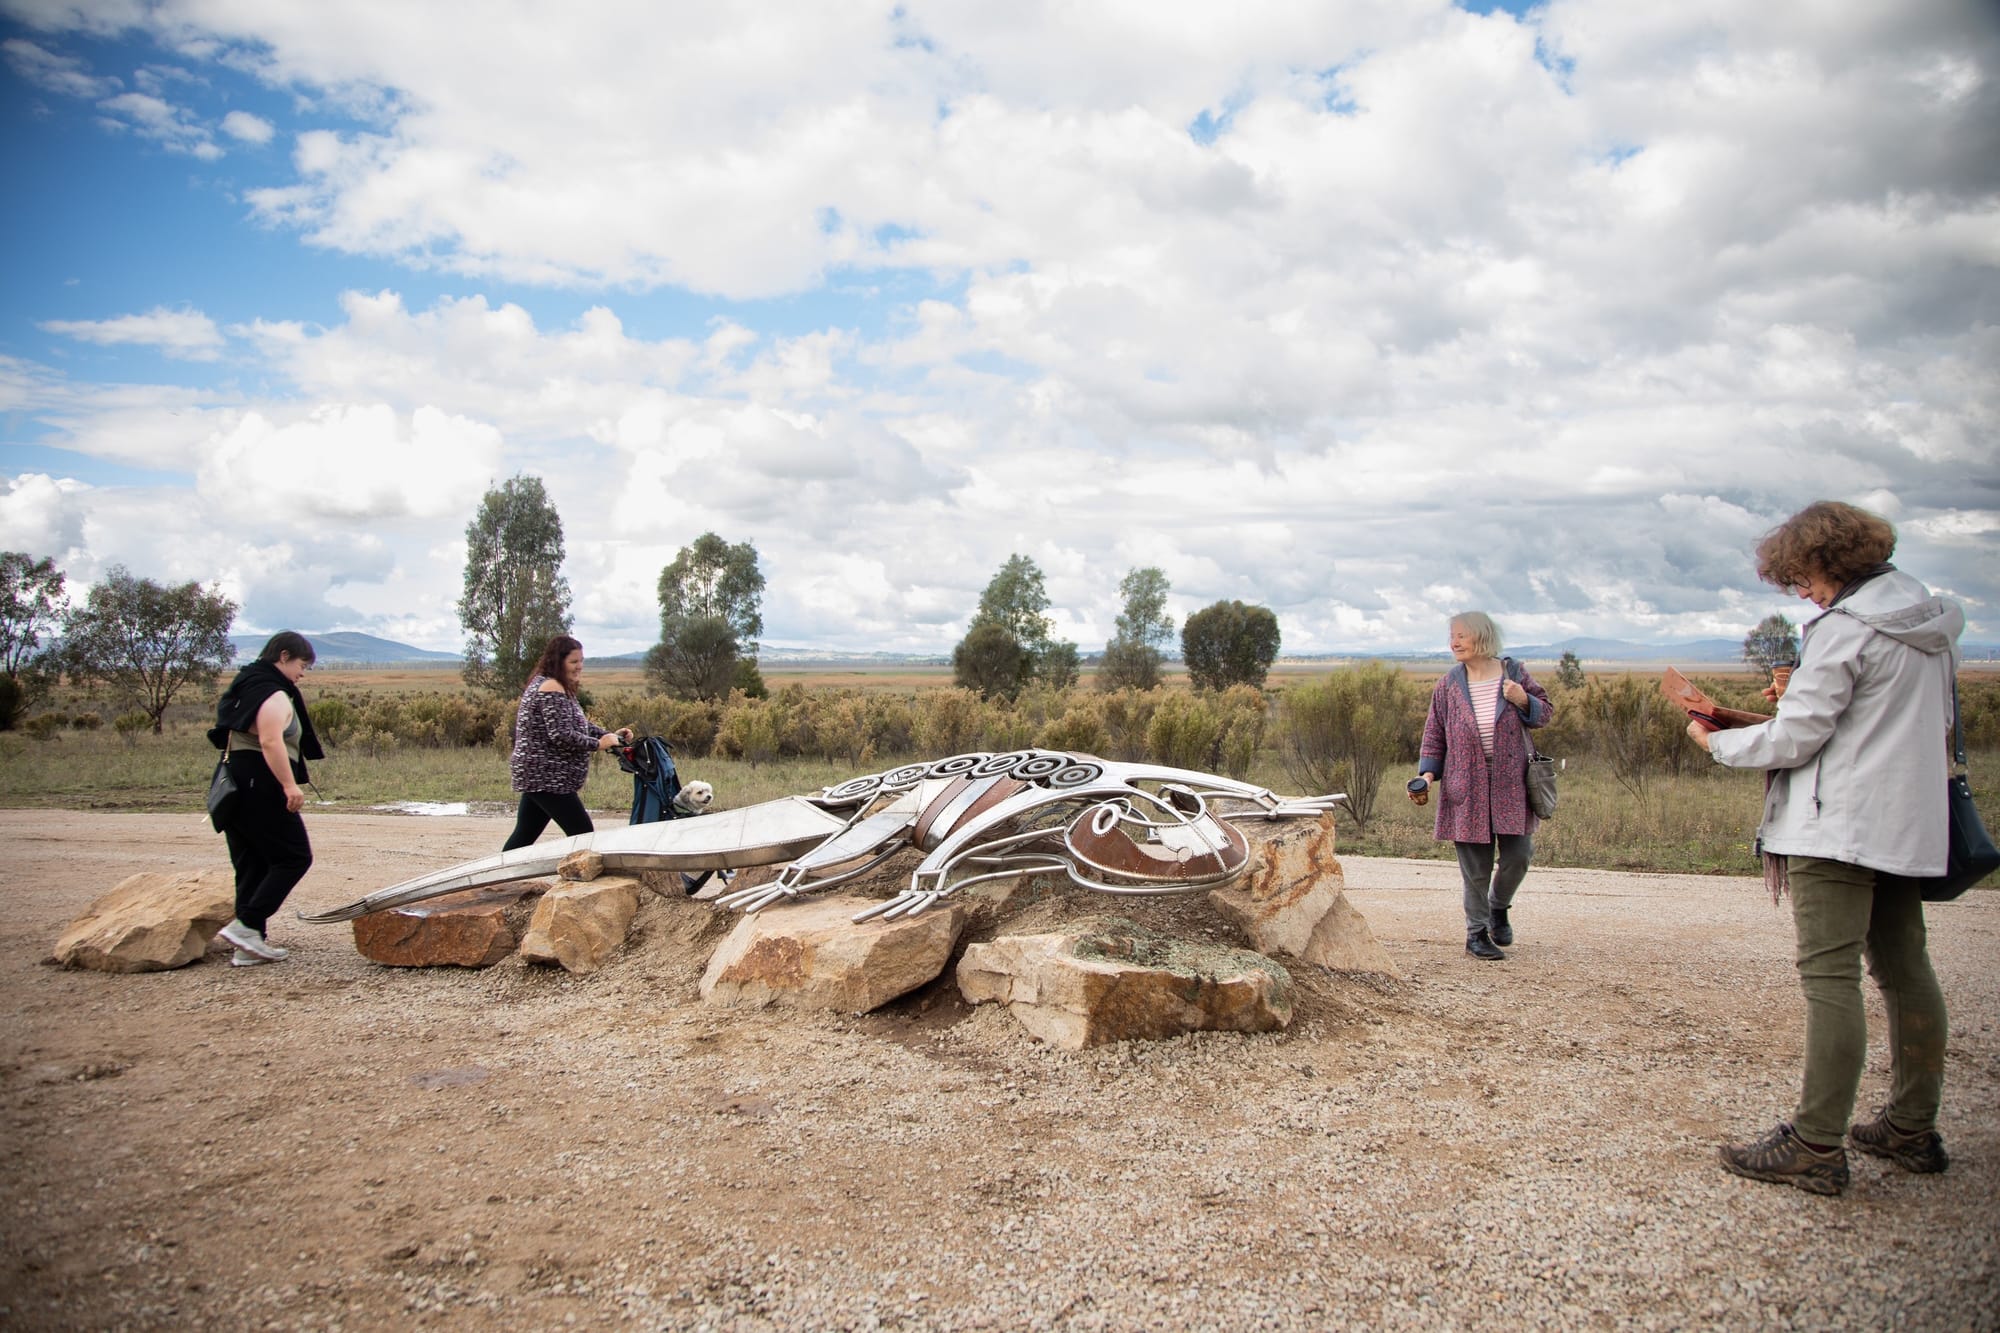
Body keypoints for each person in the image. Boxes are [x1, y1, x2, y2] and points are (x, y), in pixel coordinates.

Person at [1693, 500, 1962, 1196]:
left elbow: (1800, 735)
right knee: (1905, 966)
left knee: (1830, 975)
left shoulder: (1846, 630)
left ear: (1827, 562)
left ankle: (1816, 1141)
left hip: (1836, 821)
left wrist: (1718, 740)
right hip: (1906, 819)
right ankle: (1911, 1126)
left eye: (1801, 576)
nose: (1800, 590)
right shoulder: (1929, 622)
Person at [1410, 611, 1553, 961]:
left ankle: (1498, 907)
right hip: (1466, 786)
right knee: (1475, 867)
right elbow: (1434, 736)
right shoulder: (1448, 685)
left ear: (1482, 637)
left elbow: (1545, 714)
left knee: (1519, 855)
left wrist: (1522, 700)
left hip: (1512, 785)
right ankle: (1476, 933)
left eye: (1462, 635)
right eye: (1452, 636)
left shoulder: (1514, 673)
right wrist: (1427, 776)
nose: (1454, 642)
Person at [208, 631, 323, 966]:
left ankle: (249, 945)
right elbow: (272, 742)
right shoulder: (273, 694)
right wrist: (289, 786)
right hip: (261, 781)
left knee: (252, 863)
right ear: (284, 656)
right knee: (294, 856)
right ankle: (246, 925)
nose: (303, 673)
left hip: (234, 783)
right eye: (302, 664)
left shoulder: (247, 685)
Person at [502, 635, 631, 851]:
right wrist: (599, 744)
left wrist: (610, 736)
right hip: (546, 776)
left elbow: (578, 723)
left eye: (581, 661)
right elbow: (561, 734)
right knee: (583, 835)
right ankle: (580, 881)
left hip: (539, 774)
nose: (579, 666)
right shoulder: (551, 687)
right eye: (573, 662)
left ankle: (496, 881)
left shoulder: (551, 684)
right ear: (557, 661)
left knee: (524, 835)